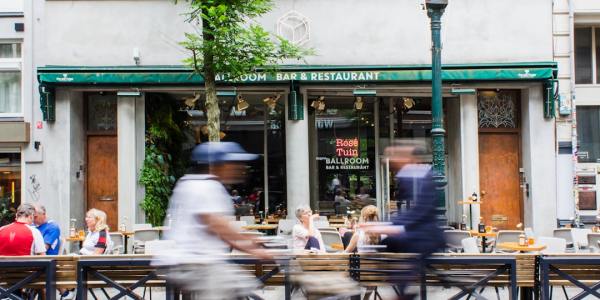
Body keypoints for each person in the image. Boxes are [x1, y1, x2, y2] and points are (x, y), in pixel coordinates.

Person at [158, 142, 271, 299]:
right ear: (217, 165)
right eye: (234, 163)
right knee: (237, 285)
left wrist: (248, 240)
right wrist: (256, 250)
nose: (240, 168)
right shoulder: (207, 186)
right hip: (197, 262)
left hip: (184, 261)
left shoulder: (188, 183)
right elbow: (218, 226)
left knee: (237, 285)